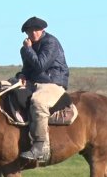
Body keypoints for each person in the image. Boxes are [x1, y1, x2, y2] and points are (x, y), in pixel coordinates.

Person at [17, 16, 69, 162]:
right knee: (3, 87)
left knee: (38, 102)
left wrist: (28, 49)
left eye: (36, 30)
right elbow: (28, 69)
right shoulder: (27, 48)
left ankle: (39, 146)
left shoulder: (50, 43)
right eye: (30, 31)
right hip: (34, 82)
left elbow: (40, 65)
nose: (33, 33)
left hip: (52, 82)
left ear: (43, 30)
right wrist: (21, 75)